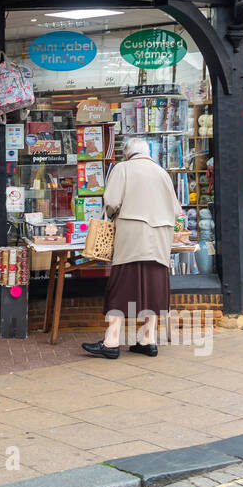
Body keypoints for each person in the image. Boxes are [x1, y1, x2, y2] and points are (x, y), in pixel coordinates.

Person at [83, 137, 180, 359]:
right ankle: (148, 340)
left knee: (121, 285)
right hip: (160, 238)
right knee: (154, 287)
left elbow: (112, 201)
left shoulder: (123, 168)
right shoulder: (162, 173)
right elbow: (175, 209)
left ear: (126, 153)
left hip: (132, 235)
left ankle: (111, 341)